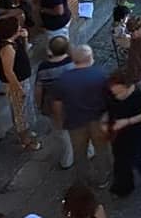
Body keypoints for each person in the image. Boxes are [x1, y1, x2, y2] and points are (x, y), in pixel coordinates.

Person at [53, 45, 111, 187]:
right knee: (102, 151)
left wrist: (59, 121)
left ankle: (83, 180)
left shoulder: (64, 79)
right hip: (98, 120)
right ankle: (103, 178)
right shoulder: (100, 74)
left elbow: (57, 104)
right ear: (90, 58)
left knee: (79, 153)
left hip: (75, 122)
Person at [106, 70, 141, 196]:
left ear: (127, 87)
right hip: (118, 131)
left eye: (119, 92)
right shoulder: (112, 92)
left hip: (135, 130)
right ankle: (123, 187)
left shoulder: (137, 95)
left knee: (138, 155)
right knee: (120, 160)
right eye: (114, 93)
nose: (116, 96)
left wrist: (126, 121)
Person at [0, 14, 41, 151]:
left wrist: (25, 38)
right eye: (18, 27)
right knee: (20, 113)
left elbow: (25, 53)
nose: (20, 28)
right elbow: (9, 72)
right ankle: (25, 141)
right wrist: (18, 89)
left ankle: (26, 132)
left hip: (23, 80)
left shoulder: (15, 42)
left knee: (25, 110)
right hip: (16, 84)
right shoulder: (7, 49)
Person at [35, 36, 76, 168]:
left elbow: (39, 89)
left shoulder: (44, 68)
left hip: (52, 105)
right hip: (73, 102)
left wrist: (39, 104)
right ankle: (89, 150)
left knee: (61, 132)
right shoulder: (73, 63)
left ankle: (67, 159)